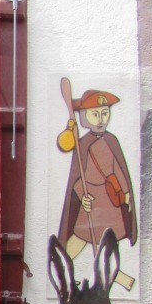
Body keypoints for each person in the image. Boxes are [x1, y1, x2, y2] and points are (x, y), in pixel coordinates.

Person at [57, 89, 137, 290]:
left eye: (105, 113)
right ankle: (60, 267)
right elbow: (76, 176)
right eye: (95, 114)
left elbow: (119, 169)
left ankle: (113, 275)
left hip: (111, 201)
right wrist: (81, 196)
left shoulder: (112, 140)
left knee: (109, 239)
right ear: (85, 117)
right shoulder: (82, 144)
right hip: (92, 200)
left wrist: (126, 192)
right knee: (80, 238)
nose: (101, 119)